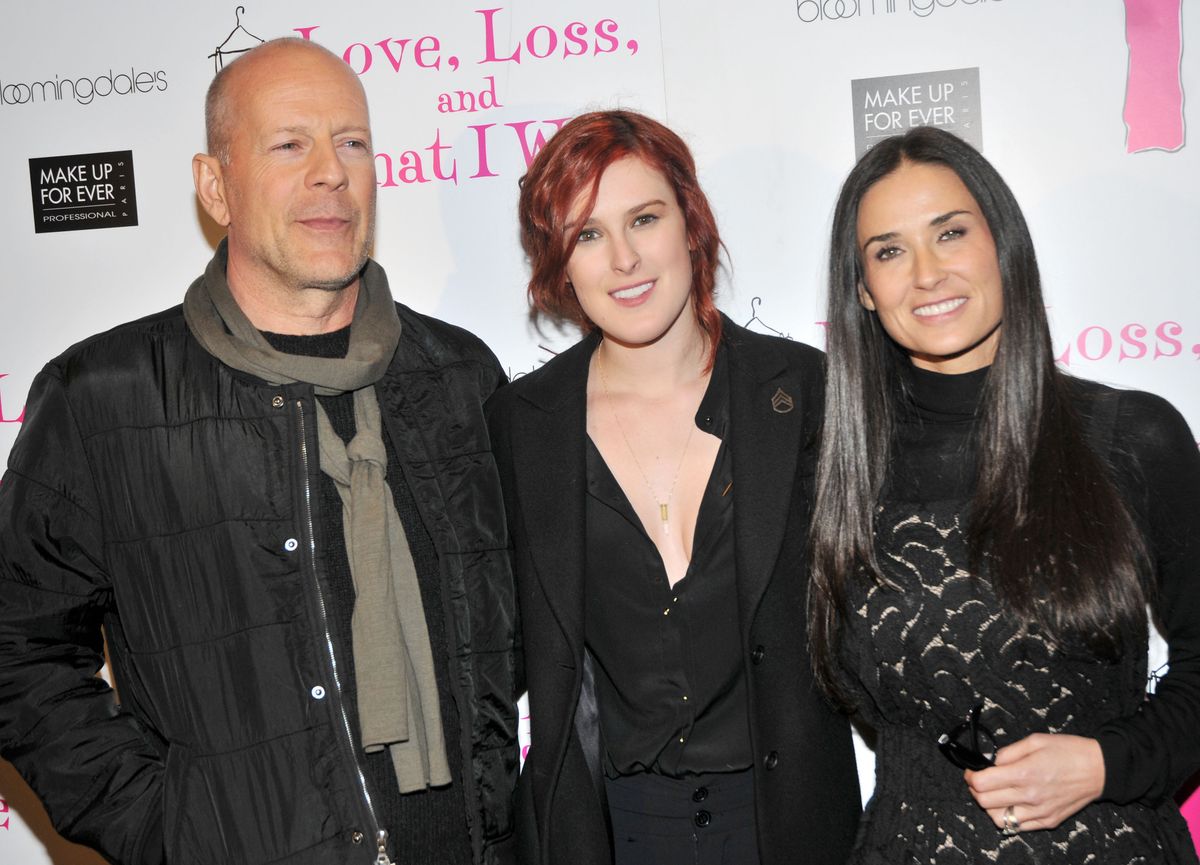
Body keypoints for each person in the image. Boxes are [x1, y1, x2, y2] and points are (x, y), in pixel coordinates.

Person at [0, 38, 519, 865]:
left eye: (351, 142)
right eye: (289, 144)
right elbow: (16, 649)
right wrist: (170, 823)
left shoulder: (460, 377)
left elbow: (520, 628)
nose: (330, 172)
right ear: (216, 185)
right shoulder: (105, 398)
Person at [808, 125, 1200, 863]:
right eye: (889, 251)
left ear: (1002, 243)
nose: (925, 273)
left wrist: (1107, 761)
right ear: (863, 289)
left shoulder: (1132, 437)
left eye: (949, 233)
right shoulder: (838, 472)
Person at [487, 109, 861, 865]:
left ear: (689, 224)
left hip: (791, 824)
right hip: (614, 832)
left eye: (644, 219)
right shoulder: (520, 428)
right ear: (561, 264)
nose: (623, 258)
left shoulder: (803, 393)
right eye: (588, 234)